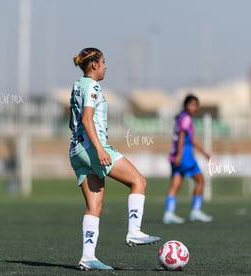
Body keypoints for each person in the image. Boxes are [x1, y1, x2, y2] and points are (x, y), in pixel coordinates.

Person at [69, 47, 161, 271]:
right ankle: (134, 231)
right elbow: (88, 120)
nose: (106, 66)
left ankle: (88, 257)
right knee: (138, 181)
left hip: (76, 149)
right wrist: (100, 149)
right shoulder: (92, 86)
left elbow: (74, 122)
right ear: (94, 65)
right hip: (93, 148)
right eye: (103, 62)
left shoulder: (77, 85)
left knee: (94, 205)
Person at [163, 94, 213, 224]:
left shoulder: (181, 117)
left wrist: (204, 152)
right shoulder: (186, 118)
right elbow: (181, 136)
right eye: (192, 105)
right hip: (185, 156)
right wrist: (180, 154)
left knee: (175, 185)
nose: (194, 108)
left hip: (175, 155)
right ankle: (196, 211)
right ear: (186, 105)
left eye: (196, 105)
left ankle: (169, 213)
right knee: (200, 181)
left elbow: (191, 139)